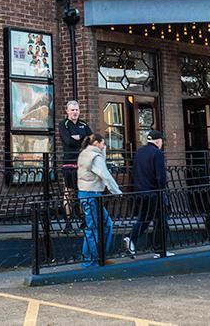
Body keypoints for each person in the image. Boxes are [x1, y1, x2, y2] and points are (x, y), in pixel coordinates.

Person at [75, 133, 122, 266]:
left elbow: (101, 167)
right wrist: (117, 192)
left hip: (88, 194)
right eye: (103, 143)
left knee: (104, 225)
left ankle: (99, 256)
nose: (104, 146)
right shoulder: (94, 156)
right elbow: (105, 174)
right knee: (94, 228)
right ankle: (90, 261)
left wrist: (103, 152)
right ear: (96, 143)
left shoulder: (86, 153)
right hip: (92, 194)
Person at [126, 129, 169, 257]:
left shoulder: (139, 152)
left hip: (140, 191)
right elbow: (160, 176)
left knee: (145, 218)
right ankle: (159, 250)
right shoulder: (157, 153)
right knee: (160, 221)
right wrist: (162, 190)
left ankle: (132, 239)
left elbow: (135, 172)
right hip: (154, 192)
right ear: (158, 141)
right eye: (161, 141)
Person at [56, 101, 92, 228]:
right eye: (72, 110)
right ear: (67, 111)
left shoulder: (84, 124)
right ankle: (68, 223)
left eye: (76, 110)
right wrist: (83, 139)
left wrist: (79, 137)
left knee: (83, 191)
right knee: (68, 192)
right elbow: (68, 141)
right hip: (69, 163)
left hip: (83, 163)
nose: (75, 112)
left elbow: (91, 140)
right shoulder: (63, 124)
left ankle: (84, 220)